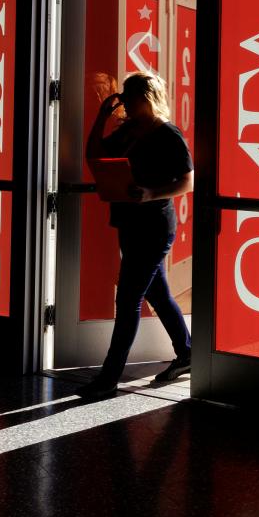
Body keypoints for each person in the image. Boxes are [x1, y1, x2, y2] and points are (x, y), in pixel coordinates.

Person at [77, 71, 194, 398]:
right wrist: (102, 117)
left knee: (128, 299)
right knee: (157, 293)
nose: (125, 100)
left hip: (154, 227)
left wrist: (150, 193)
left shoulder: (168, 134)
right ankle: (187, 353)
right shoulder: (127, 130)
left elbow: (187, 181)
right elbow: (95, 156)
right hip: (128, 223)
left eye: (130, 94)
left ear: (147, 97)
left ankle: (109, 378)